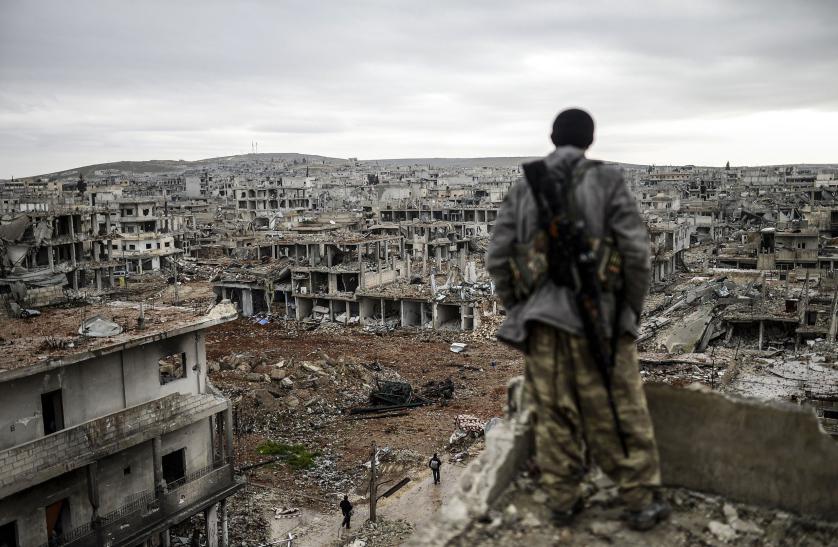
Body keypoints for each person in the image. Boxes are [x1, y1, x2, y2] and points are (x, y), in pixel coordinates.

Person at [487, 108, 670, 531]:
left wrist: (520, 308)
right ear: (590, 140)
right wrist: (628, 311)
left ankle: (563, 499)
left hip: (543, 324)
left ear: (553, 137)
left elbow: (498, 258)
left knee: (555, 412)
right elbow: (637, 255)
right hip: (600, 320)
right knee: (618, 407)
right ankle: (640, 500)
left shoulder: (524, 186)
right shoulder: (608, 181)